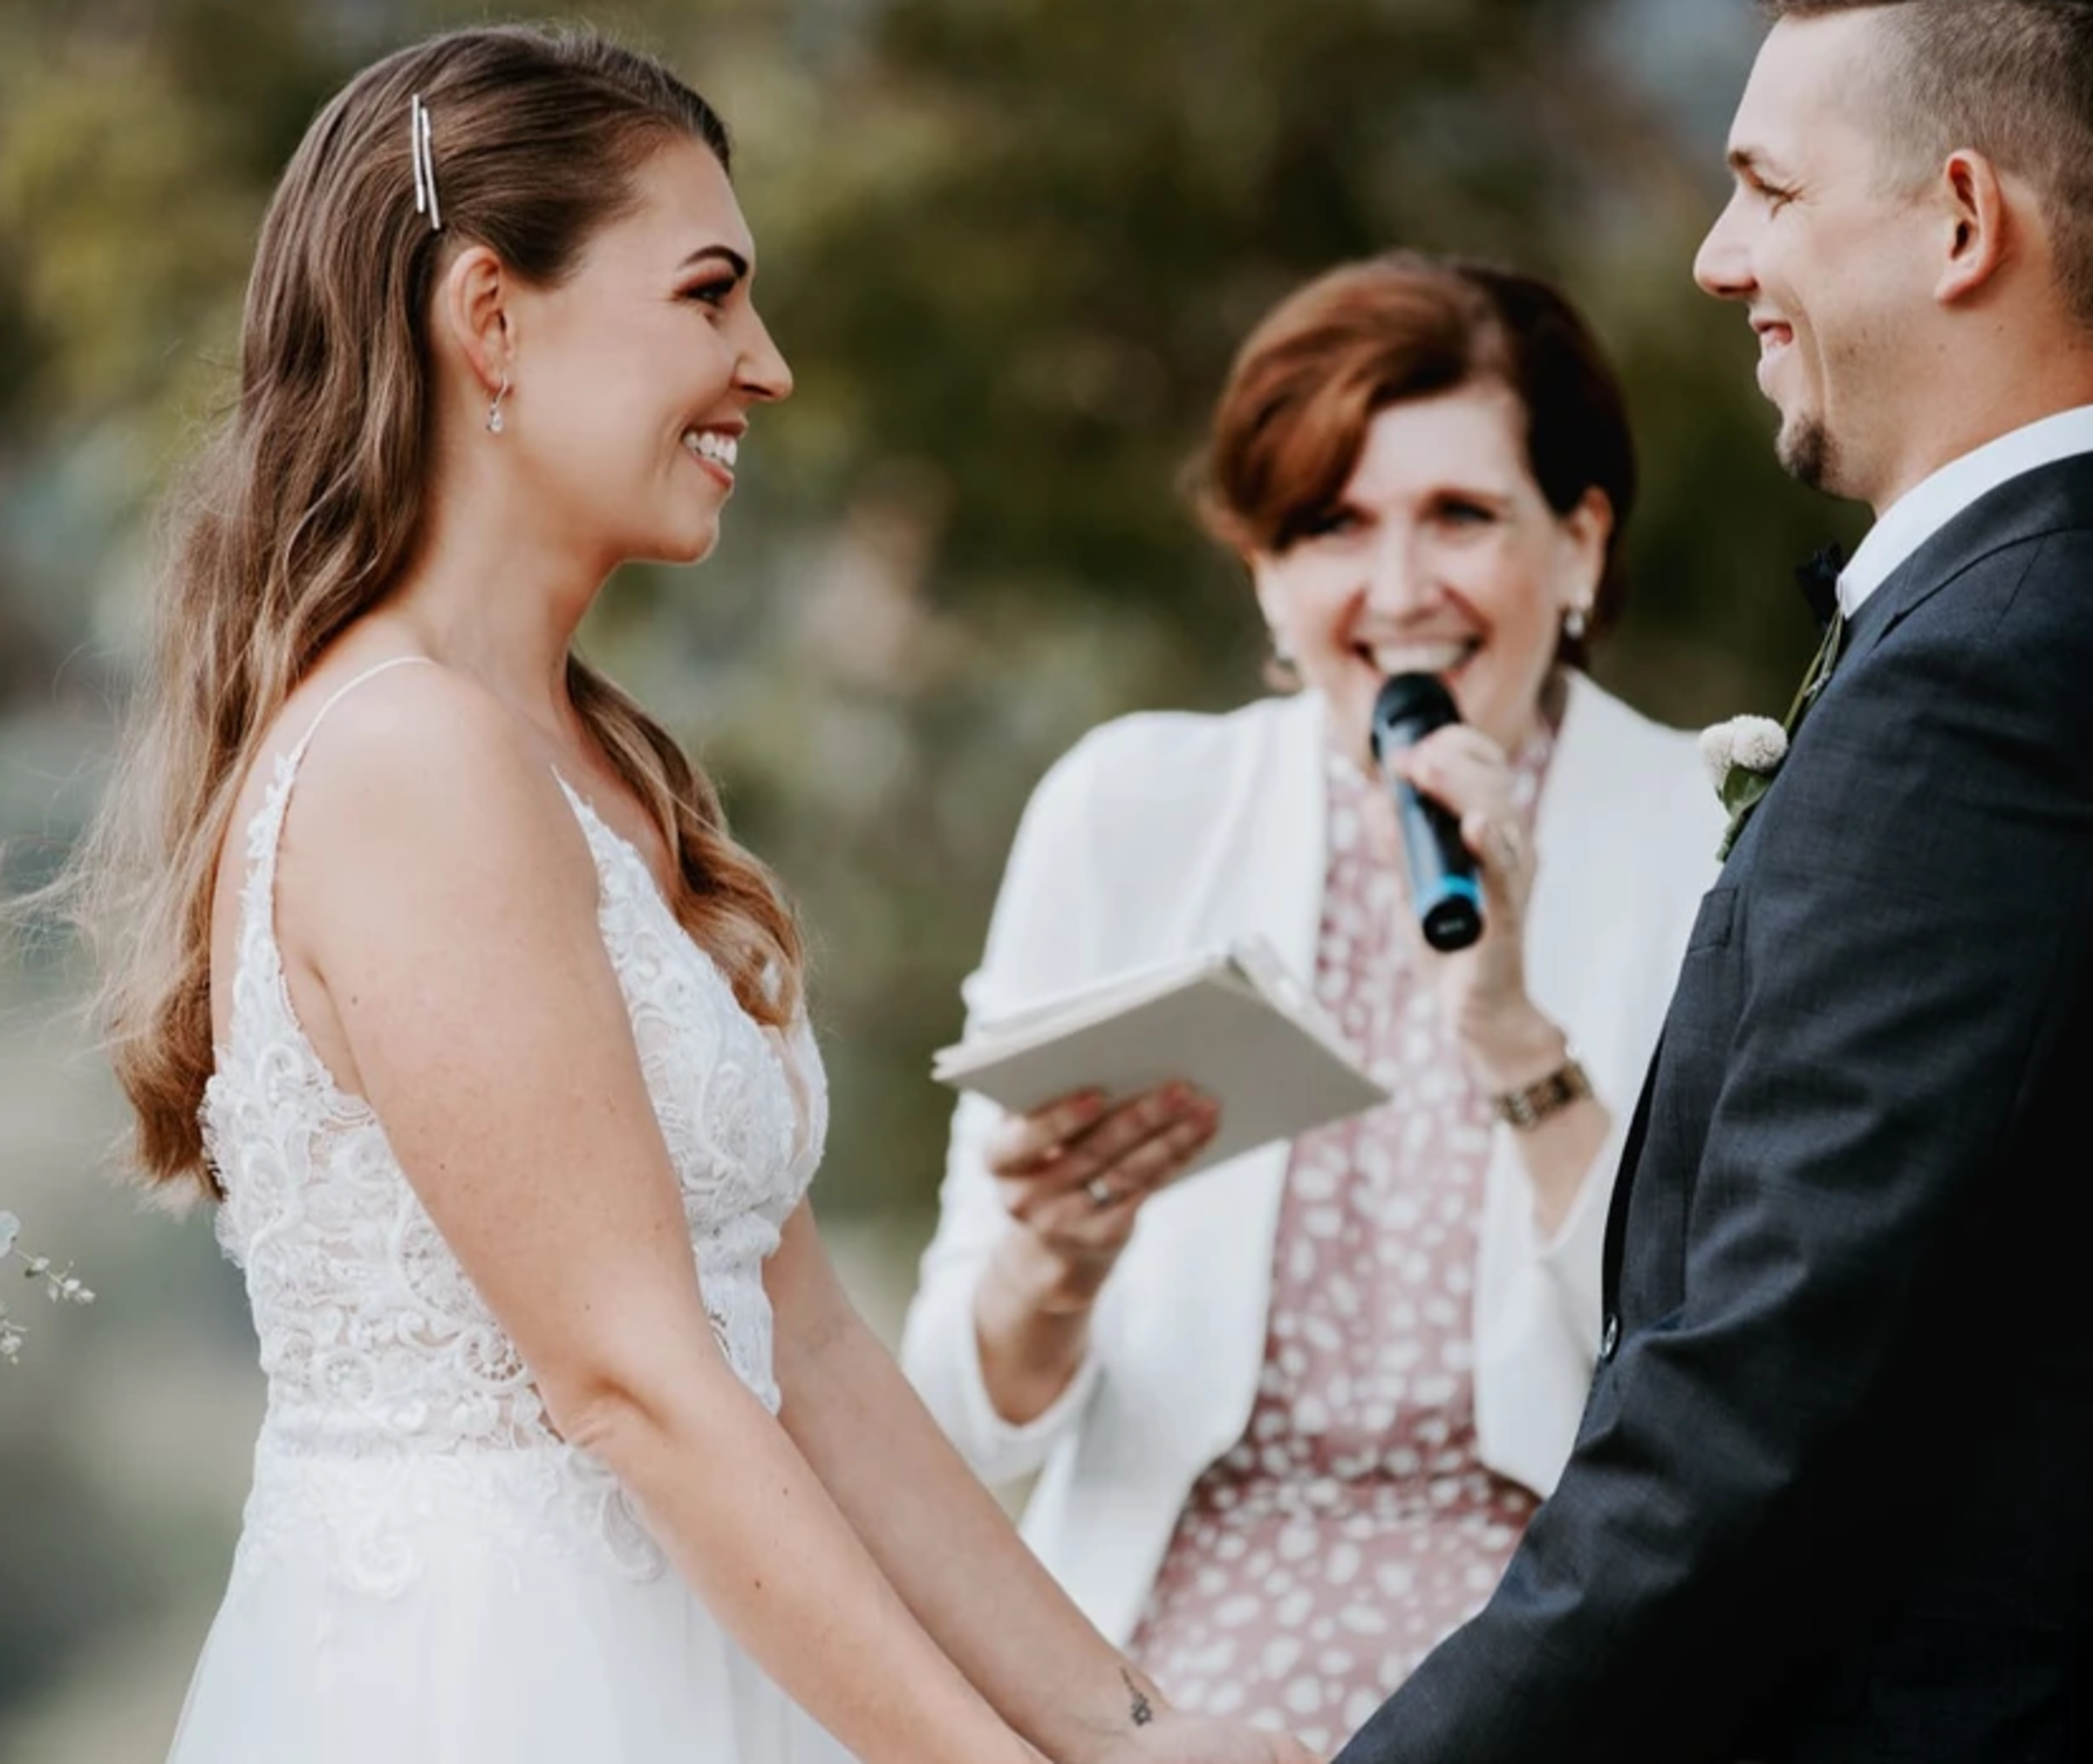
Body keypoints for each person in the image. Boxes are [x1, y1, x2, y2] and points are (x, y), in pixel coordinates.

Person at [55, 25, 1323, 1764]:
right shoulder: (411, 762)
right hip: (501, 1690)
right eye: (712, 296)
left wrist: (1128, 1730)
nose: (769, 367)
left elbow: (803, 1344)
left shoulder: (606, 766)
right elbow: (636, 1382)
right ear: (489, 317)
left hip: (717, 1662)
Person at [1333, 4, 2093, 1760]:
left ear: (1963, 222)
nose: (1715, 256)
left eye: (1764, 190)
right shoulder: (1996, 619)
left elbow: (1762, 1397)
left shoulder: (1984, 674)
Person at [899, 254, 1725, 1751]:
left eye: (1460, 516)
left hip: (1562, 1646)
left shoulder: (1716, 835)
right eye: (1332, 526)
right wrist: (1055, 1265)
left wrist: (1515, 1040)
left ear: (1581, 539)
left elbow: (1713, 1373)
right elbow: (951, 1413)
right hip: (1166, 1660)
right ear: (1268, 577)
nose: (1400, 590)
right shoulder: (1127, 807)